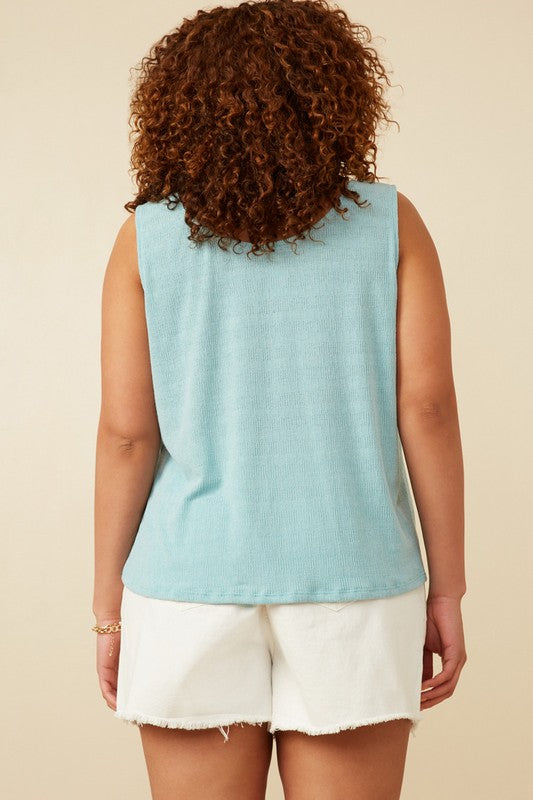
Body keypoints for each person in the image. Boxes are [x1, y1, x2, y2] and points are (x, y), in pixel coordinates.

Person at [92, 0, 467, 797]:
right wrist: (447, 587)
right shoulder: (390, 225)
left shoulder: (146, 238)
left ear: (177, 109)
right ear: (335, 99)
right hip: (356, 581)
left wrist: (108, 610)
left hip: (187, 586)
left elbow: (127, 436)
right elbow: (427, 411)